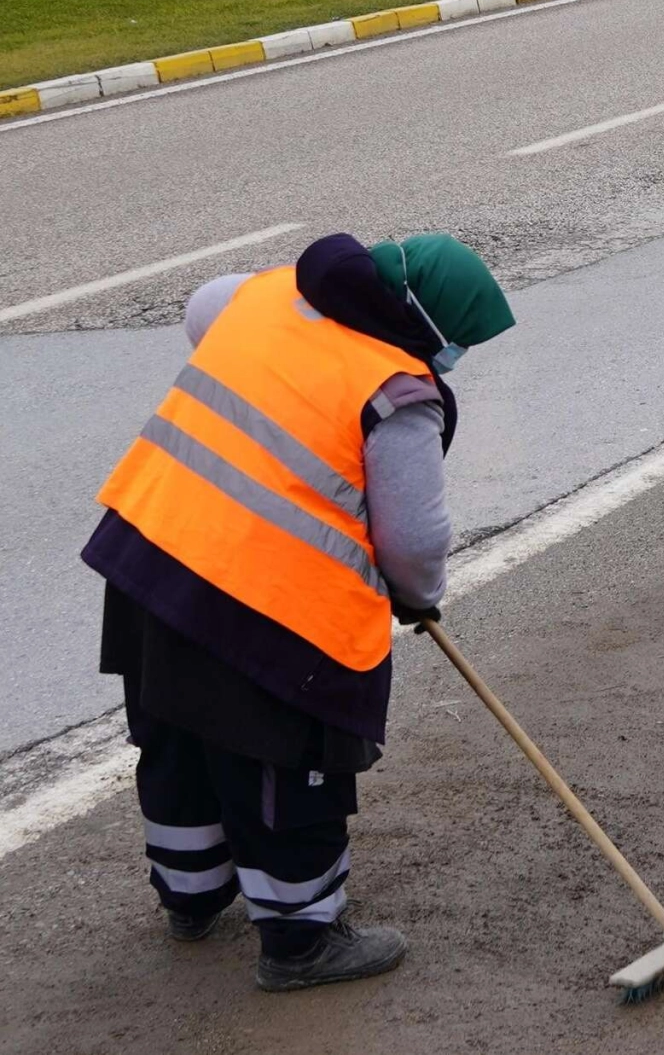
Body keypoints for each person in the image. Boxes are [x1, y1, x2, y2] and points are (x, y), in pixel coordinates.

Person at [82, 232, 515, 990]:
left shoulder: (265, 294)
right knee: (282, 770)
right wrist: (419, 600)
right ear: (424, 324)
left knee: (178, 734)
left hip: (151, 552)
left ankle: (190, 897)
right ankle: (301, 941)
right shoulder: (395, 391)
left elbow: (202, 311)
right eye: (458, 344)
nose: (452, 361)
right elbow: (413, 540)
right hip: (267, 606)